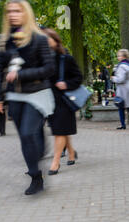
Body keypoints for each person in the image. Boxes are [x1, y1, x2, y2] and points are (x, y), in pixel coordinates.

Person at [0, 0, 55, 195]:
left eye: (17, 10)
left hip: (37, 94)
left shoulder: (39, 39)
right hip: (15, 96)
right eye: (9, 11)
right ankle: (36, 172)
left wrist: (21, 74)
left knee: (28, 133)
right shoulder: (4, 41)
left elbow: (49, 68)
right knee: (25, 137)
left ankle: (36, 177)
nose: (12, 14)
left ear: (25, 13)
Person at [42, 28, 82, 176]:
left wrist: (66, 84)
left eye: (48, 38)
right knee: (61, 130)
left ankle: (55, 162)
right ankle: (71, 152)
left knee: (59, 131)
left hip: (63, 100)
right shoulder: (41, 59)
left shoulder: (66, 58)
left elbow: (78, 77)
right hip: (47, 100)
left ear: (55, 40)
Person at [111, 49, 129, 130]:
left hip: (124, 90)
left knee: (122, 107)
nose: (118, 57)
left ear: (123, 56)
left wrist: (113, 78)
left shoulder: (122, 66)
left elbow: (120, 79)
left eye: (119, 56)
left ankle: (124, 124)